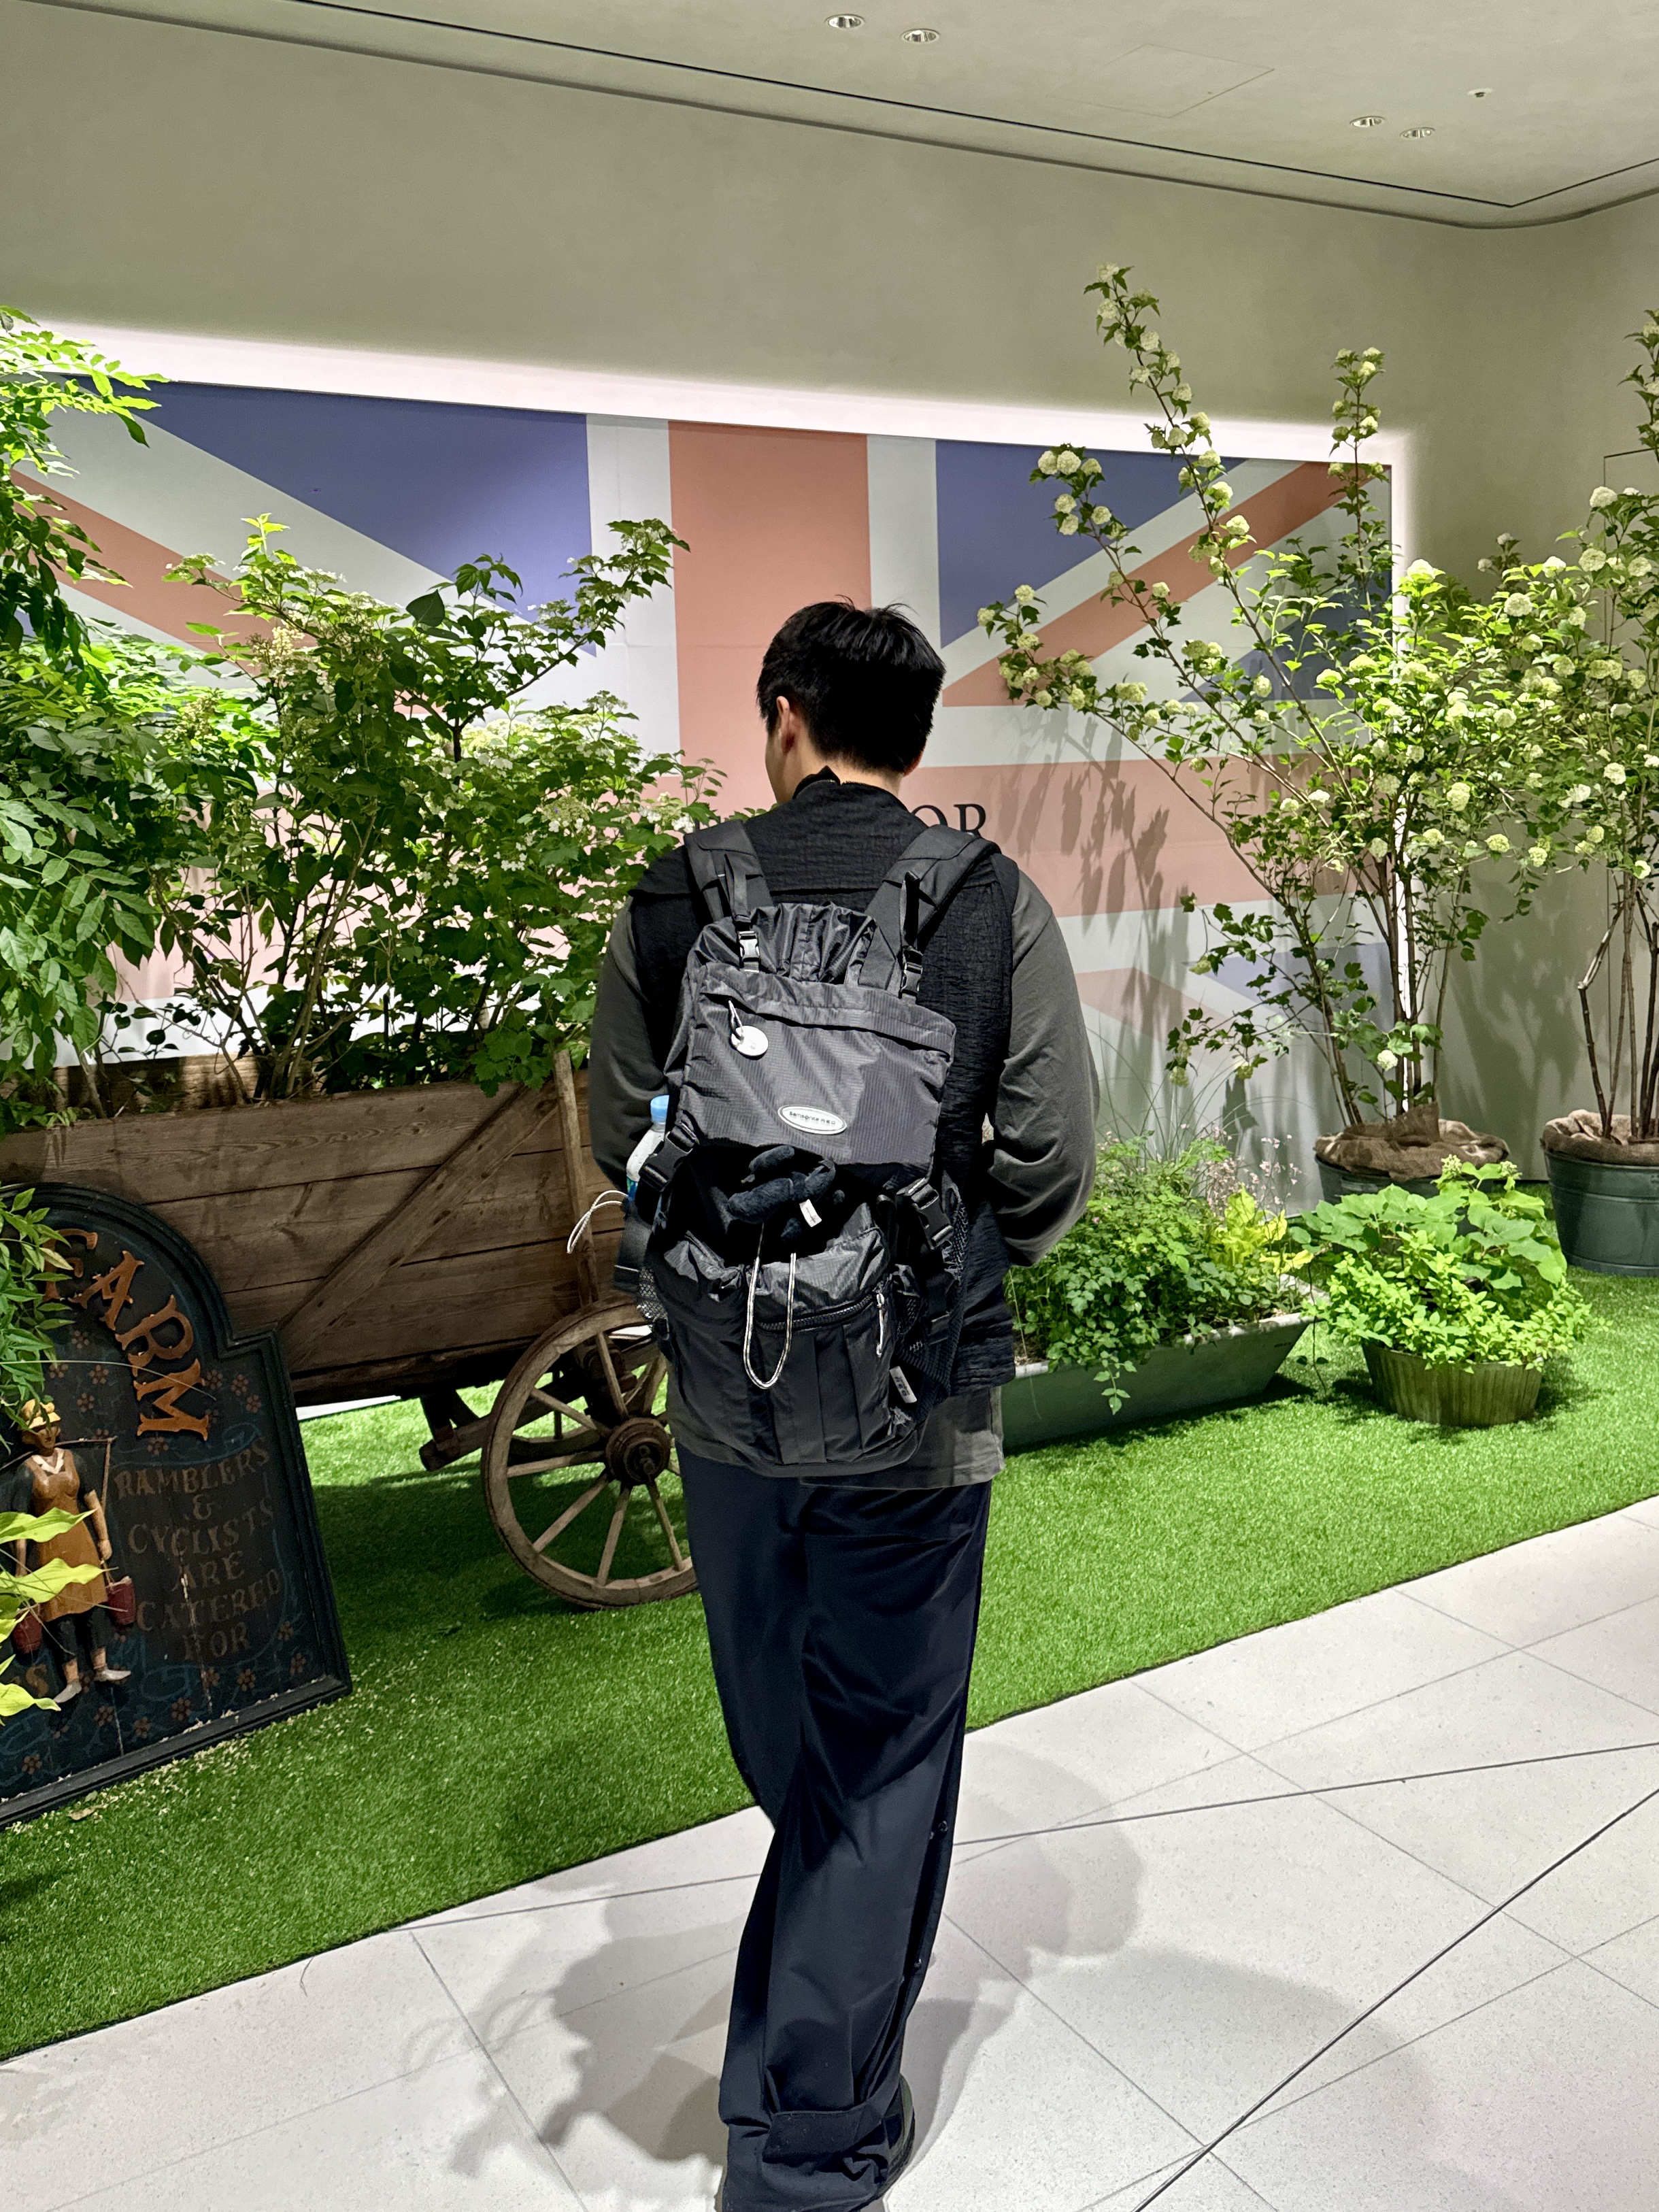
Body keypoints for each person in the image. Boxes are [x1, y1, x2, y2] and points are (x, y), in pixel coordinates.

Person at [589, 600, 1097, 2211]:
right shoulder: (988, 900)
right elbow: (1050, 1165)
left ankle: (804, 2069)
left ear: (785, 716)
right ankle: (809, 2148)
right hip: (917, 1408)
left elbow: (620, 1139)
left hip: (723, 1404)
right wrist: (915, 1252)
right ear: (912, 737)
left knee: (788, 1730)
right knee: (880, 1757)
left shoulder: (674, 893)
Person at [12, 1398, 130, 1705]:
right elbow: (20, 1527)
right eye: (40, 1429)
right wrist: (20, 1570)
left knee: (92, 1606)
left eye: (50, 1426)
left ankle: (101, 1666)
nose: (47, 1433)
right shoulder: (26, 1474)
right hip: (50, 1550)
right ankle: (72, 1679)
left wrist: (104, 1538)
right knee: (60, 1614)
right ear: (29, 1435)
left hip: (81, 1544)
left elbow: (93, 1502)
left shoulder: (74, 1460)